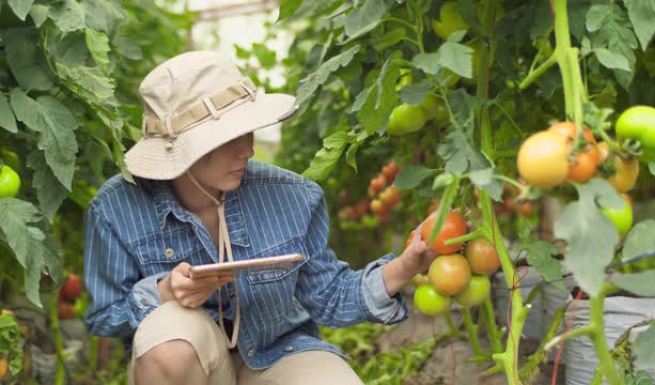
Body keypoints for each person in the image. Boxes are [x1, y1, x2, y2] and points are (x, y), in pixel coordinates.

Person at [84, 50, 437, 385]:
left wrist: (406, 266)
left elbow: (329, 295)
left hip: (278, 352)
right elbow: (104, 317)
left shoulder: (291, 195)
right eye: (228, 139)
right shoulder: (117, 208)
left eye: (248, 131)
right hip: (188, 368)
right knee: (171, 348)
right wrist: (164, 293)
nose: (248, 150)